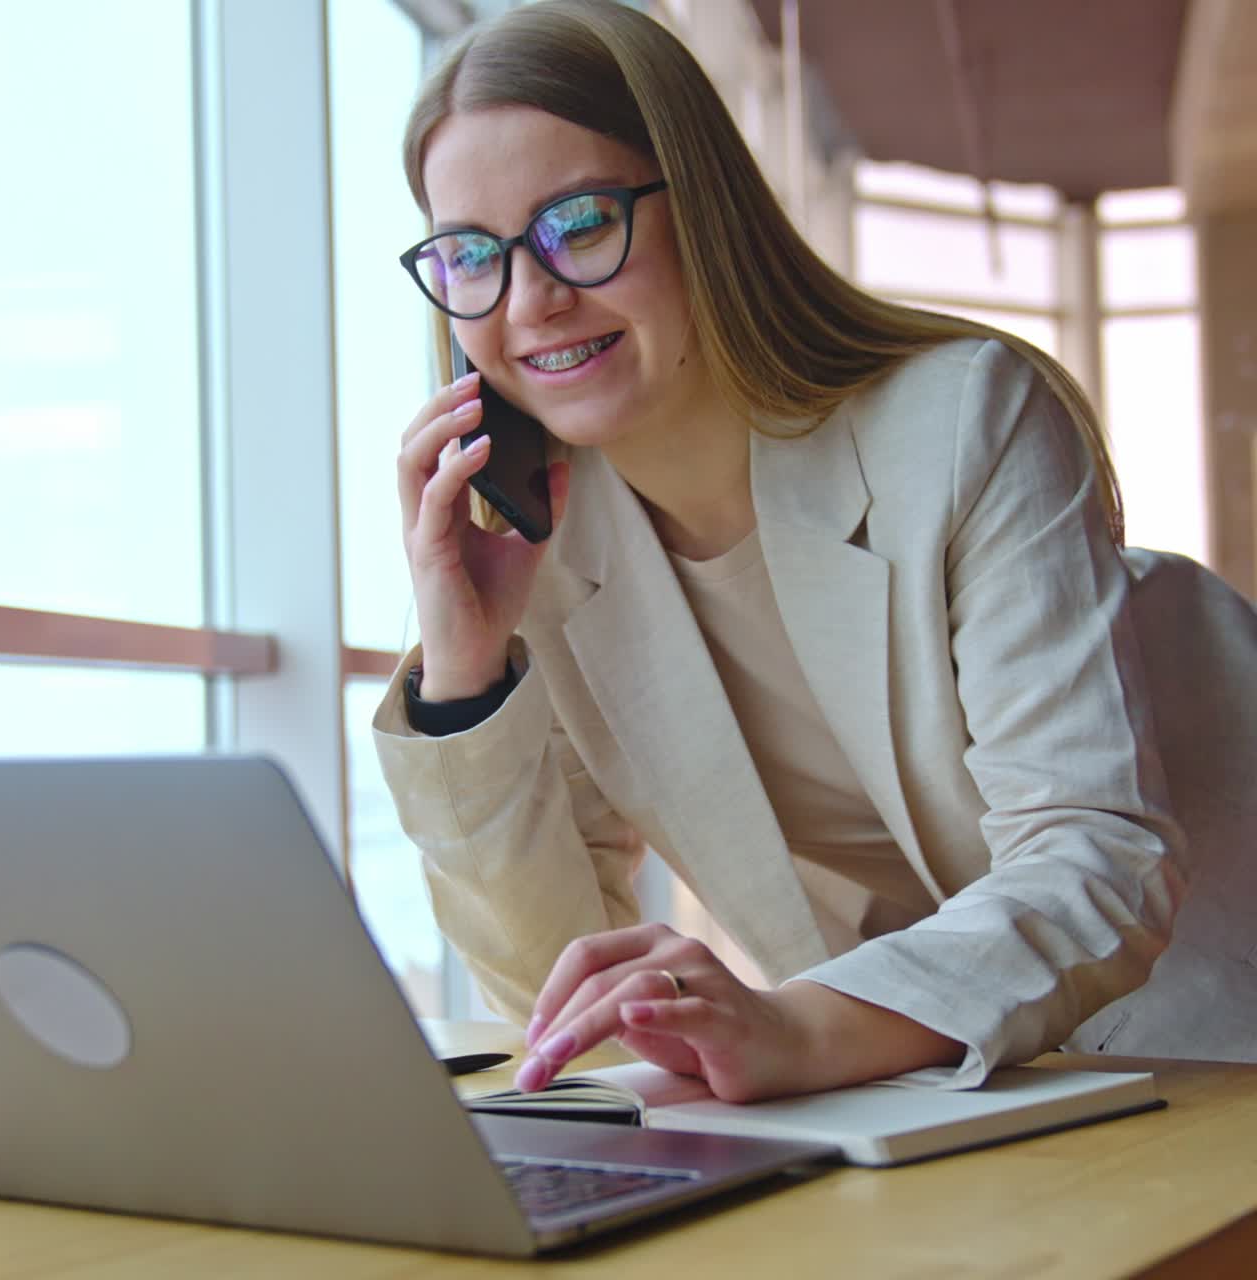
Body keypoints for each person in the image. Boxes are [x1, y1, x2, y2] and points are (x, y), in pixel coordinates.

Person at [374, 0, 1256, 1103]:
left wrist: (787, 1027)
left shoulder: (962, 421)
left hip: (1214, 1009)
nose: (532, 299)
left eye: (581, 222)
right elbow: (553, 1002)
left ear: (701, 208)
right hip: (949, 1082)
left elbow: (1094, 857)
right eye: (470, 255)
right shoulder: (546, 541)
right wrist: (464, 678)